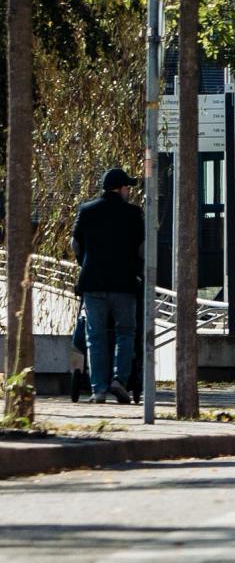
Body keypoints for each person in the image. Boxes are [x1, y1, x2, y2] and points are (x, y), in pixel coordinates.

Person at [71, 167, 142, 404]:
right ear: (120, 188)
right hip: (124, 284)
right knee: (125, 333)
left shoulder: (87, 210)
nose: (129, 191)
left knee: (95, 336)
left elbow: (76, 245)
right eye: (127, 187)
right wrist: (137, 269)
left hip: (93, 283)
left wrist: (85, 265)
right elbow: (142, 249)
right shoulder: (133, 213)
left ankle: (98, 390)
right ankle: (119, 380)